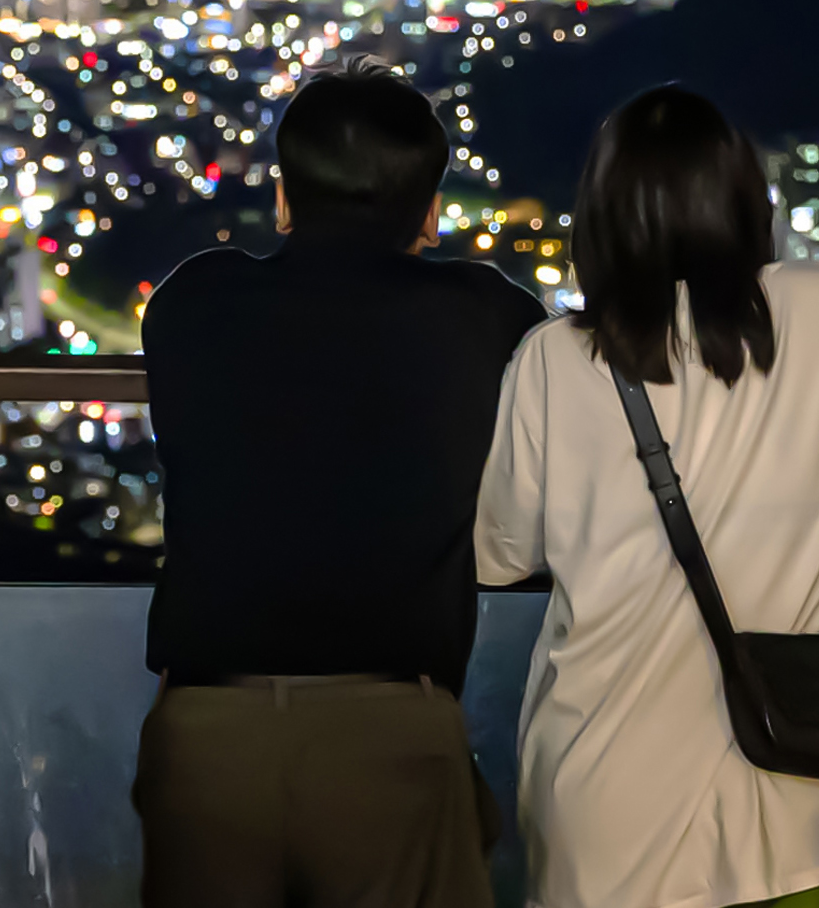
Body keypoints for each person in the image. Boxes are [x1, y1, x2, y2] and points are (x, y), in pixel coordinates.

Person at [475, 87, 819, 908]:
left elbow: (502, 553)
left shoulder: (553, 359)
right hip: (791, 797)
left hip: (604, 804)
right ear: (745, 198)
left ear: (601, 215)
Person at [136, 62, 546, 908]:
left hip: (206, 733)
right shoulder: (484, 315)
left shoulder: (191, 301)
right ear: (430, 213)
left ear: (284, 199)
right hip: (393, 729)